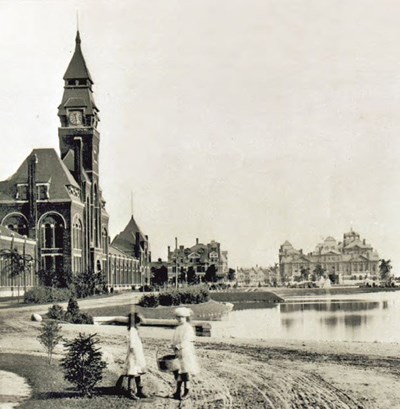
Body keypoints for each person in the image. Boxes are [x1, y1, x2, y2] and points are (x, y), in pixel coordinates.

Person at [116, 312, 148, 400]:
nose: (140, 325)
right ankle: (130, 391)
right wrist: (134, 354)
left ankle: (139, 390)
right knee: (132, 373)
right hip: (133, 355)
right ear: (135, 323)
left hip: (137, 354)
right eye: (139, 323)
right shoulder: (132, 331)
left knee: (137, 372)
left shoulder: (134, 330)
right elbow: (132, 344)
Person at [171, 307, 200, 400]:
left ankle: (187, 391)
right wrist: (172, 345)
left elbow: (187, 340)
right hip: (178, 352)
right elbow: (175, 338)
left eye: (181, 317)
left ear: (186, 317)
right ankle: (178, 391)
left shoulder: (188, 328)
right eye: (178, 317)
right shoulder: (178, 328)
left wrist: (179, 346)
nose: (179, 319)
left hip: (186, 352)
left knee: (185, 371)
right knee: (177, 371)